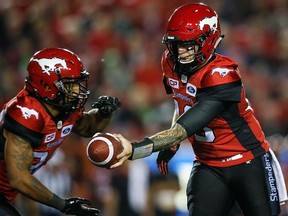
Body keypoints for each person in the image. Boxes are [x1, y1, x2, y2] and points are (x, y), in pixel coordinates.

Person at [112, 3, 288, 216]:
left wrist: (135, 149)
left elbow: (185, 127)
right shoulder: (169, 62)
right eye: (177, 45)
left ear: (208, 42)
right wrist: (171, 144)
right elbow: (182, 105)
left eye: (189, 45)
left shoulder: (221, 75)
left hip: (247, 161)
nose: (181, 52)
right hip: (208, 163)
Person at [0, 47, 121, 216]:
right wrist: (63, 204)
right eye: (70, 85)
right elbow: (18, 178)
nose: (78, 91)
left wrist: (104, 114)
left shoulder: (61, 107)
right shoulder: (27, 112)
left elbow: (86, 128)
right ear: (46, 85)